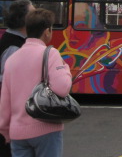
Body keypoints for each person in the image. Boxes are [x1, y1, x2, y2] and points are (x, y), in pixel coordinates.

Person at [0, 8, 72, 157]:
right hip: (46, 128)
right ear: (47, 31)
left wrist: (6, 131)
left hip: (17, 133)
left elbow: (5, 100)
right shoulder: (50, 54)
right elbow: (62, 88)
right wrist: (65, 68)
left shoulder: (12, 58)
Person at [0, 0, 35, 157]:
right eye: (33, 13)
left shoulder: (16, 41)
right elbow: (9, 86)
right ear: (24, 19)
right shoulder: (14, 47)